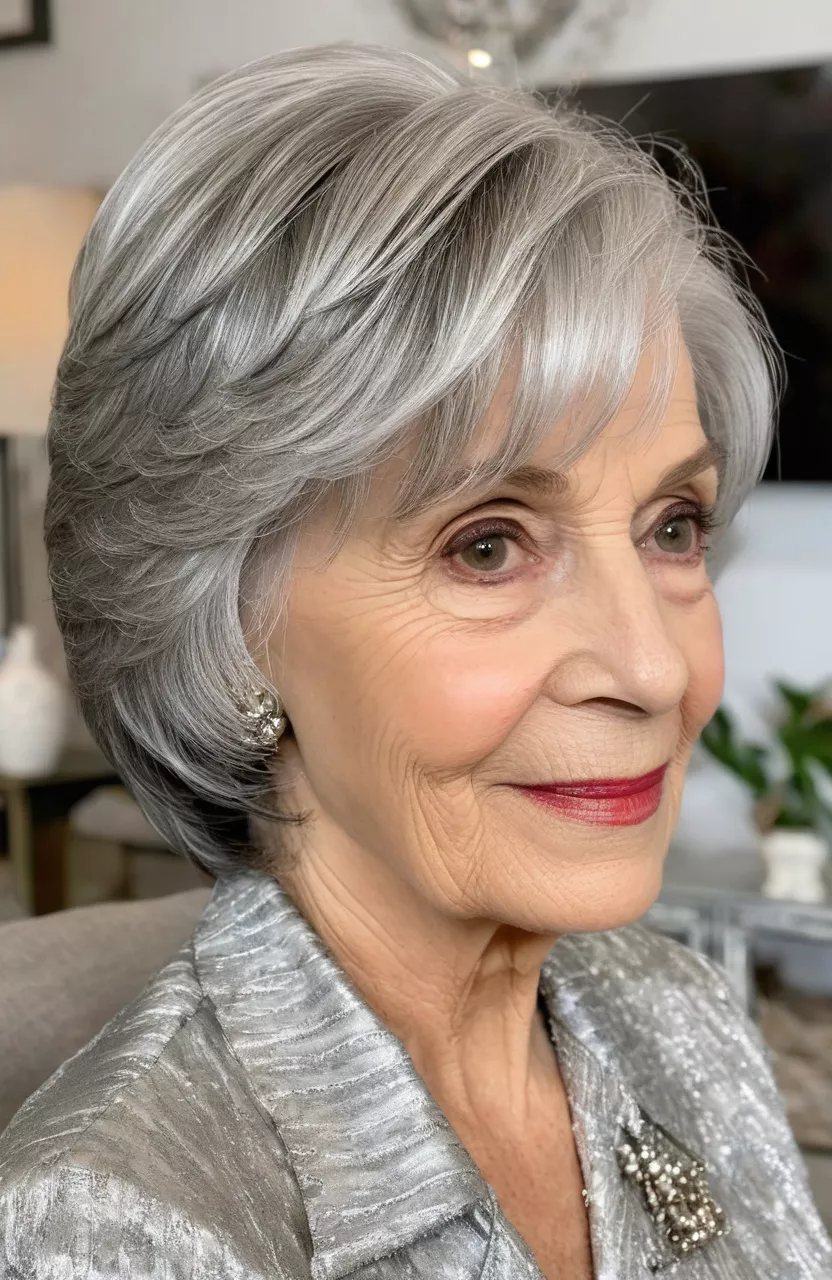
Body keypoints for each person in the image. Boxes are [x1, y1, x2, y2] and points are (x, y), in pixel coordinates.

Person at [0, 42, 829, 1280]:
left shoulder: (678, 1014)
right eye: (488, 544)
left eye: (672, 526)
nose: (653, 669)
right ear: (224, 622)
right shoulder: (118, 1222)